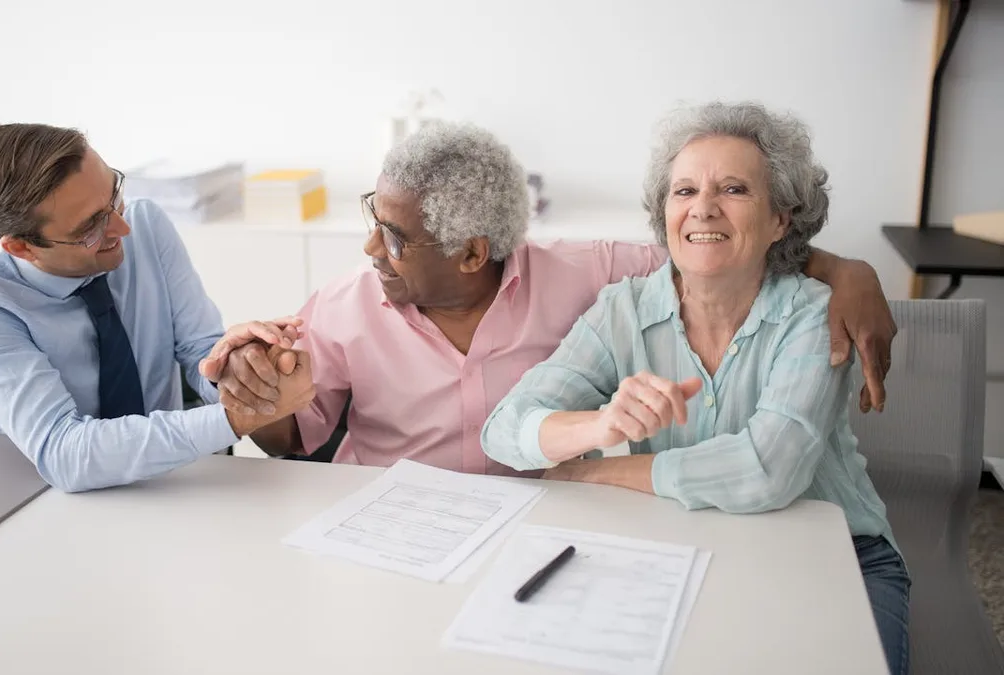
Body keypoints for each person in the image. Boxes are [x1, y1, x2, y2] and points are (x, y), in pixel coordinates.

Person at [203, 120, 898, 477]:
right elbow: (297, 439)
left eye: (393, 237)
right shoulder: (345, 302)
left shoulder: (583, 273)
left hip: (539, 525)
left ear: (473, 252)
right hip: (390, 521)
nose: (369, 250)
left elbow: (712, 245)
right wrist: (263, 400)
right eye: (372, 222)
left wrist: (843, 268)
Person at [479, 102, 909, 674]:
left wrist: (596, 470)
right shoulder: (622, 311)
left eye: (733, 189)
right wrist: (597, 426)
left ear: (781, 219)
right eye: (683, 191)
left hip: (838, 556)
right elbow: (503, 430)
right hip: (675, 545)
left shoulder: (813, 314)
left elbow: (767, 470)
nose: (702, 207)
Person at [0, 123, 314, 493]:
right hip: (51, 506)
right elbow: (63, 451)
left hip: (172, 485)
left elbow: (201, 353)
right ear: (22, 247)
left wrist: (242, 366)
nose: (122, 228)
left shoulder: (146, 224)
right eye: (91, 226)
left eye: (114, 194)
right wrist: (234, 418)